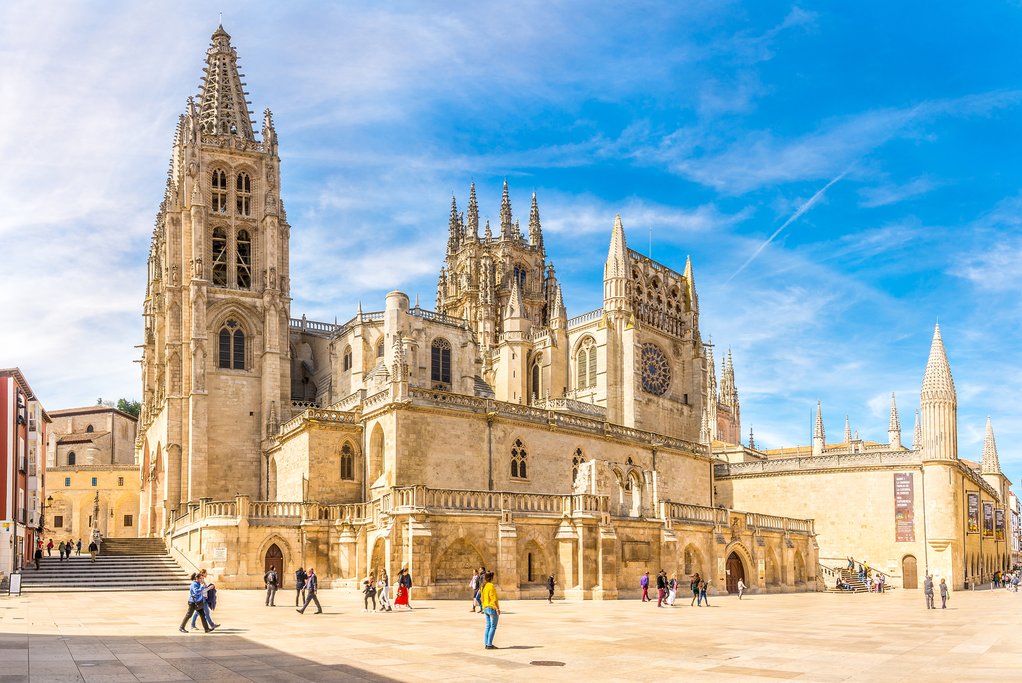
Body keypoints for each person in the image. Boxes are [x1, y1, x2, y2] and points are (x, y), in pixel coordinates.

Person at [481, 571, 500, 650]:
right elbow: (493, 598)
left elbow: (481, 598)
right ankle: (489, 644)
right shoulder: (491, 586)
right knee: (493, 626)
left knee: (488, 626)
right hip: (491, 608)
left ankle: (486, 643)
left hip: (485, 607)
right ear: (491, 578)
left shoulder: (483, 586)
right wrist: (497, 608)